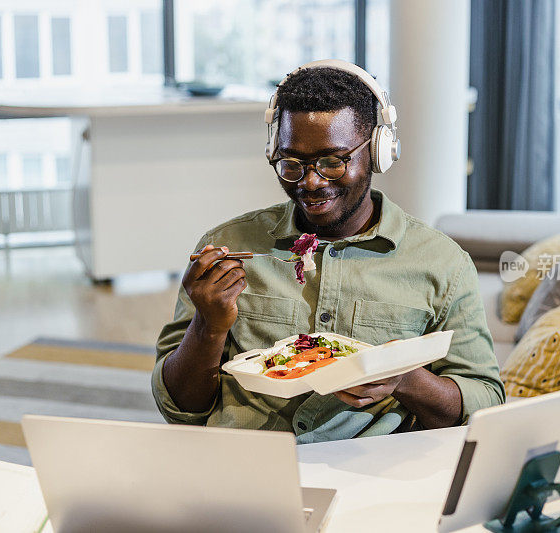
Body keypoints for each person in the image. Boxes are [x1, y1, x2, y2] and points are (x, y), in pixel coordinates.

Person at [152, 60, 505, 443]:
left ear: (377, 151)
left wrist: (404, 379)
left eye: (333, 161)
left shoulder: (442, 264)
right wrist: (208, 326)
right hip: (248, 463)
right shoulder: (229, 246)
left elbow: (485, 405)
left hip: (372, 473)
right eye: (291, 163)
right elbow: (179, 408)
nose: (311, 181)